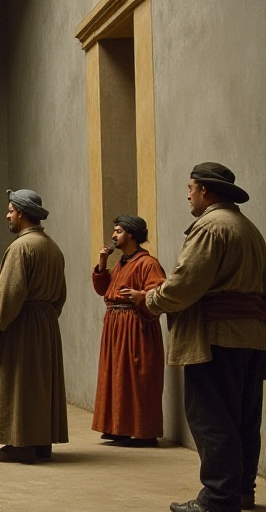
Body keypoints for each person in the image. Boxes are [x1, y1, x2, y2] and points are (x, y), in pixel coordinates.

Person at [123, 163, 266, 512]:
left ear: (204, 189)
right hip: (252, 338)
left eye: (190, 188)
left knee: (212, 418)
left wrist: (150, 300)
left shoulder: (210, 227)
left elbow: (185, 284)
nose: (187, 195)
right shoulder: (249, 229)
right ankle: (241, 491)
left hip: (213, 337)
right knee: (244, 419)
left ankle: (217, 498)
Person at [0, 189, 68, 464]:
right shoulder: (52, 247)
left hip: (23, 323)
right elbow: (60, 294)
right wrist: (45, 318)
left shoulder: (21, 247)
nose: (7, 216)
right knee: (39, 383)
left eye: (10, 211)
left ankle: (19, 444)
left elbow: (11, 294)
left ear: (21, 213)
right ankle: (41, 441)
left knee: (18, 381)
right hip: (46, 323)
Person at [91, 214, 165, 447]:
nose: (113, 235)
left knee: (138, 377)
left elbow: (160, 293)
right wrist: (102, 263)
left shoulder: (148, 263)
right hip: (115, 327)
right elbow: (103, 290)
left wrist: (141, 296)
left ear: (131, 234)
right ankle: (119, 427)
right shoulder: (121, 263)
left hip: (136, 328)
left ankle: (144, 432)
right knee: (116, 377)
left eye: (118, 231)